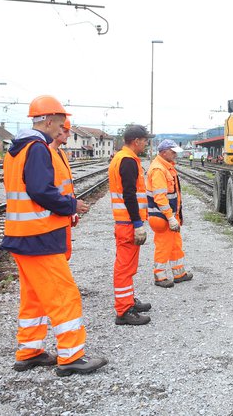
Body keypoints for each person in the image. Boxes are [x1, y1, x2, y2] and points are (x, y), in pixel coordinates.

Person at [1, 95, 107, 376]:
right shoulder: (37, 148)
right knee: (65, 295)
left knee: (33, 298)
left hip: (21, 234)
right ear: (48, 120)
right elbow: (40, 190)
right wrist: (71, 204)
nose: (61, 128)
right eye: (59, 123)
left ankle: (29, 351)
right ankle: (71, 356)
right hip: (39, 235)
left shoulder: (17, 149)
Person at [108, 125, 153, 326]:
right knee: (125, 268)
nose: (146, 144)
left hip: (125, 221)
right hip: (127, 222)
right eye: (145, 140)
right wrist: (137, 223)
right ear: (136, 141)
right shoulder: (127, 161)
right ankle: (124, 310)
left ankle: (127, 301)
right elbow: (129, 194)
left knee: (127, 265)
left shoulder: (123, 158)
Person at [147, 139, 193, 287]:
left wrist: (174, 217)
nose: (175, 155)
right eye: (172, 152)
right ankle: (159, 277)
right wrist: (170, 217)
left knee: (175, 244)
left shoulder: (166, 167)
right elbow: (160, 197)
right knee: (163, 245)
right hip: (162, 217)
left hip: (169, 216)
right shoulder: (159, 170)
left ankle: (179, 273)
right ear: (164, 152)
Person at [49, 119, 76, 260]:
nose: (69, 135)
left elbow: (65, 186)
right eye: (65, 131)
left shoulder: (60, 153)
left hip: (64, 212)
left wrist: (72, 209)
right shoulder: (47, 153)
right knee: (58, 256)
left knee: (64, 254)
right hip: (54, 216)